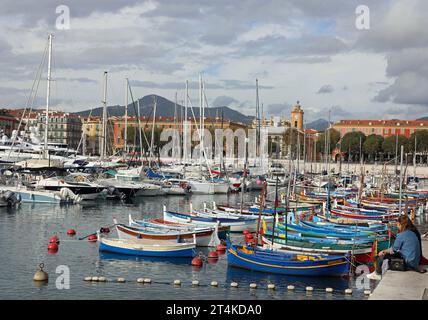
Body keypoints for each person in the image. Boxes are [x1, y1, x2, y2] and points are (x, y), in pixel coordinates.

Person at [367, 214, 421, 280]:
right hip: (415, 263)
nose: (397, 227)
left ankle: (377, 274)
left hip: (409, 263)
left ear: (401, 225)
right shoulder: (412, 233)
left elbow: (394, 249)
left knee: (383, 255)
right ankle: (376, 272)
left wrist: (384, 251)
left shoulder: (402, 235)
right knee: (387, 254)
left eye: (398, 225)